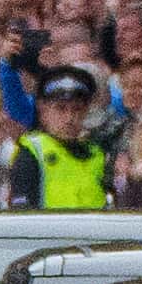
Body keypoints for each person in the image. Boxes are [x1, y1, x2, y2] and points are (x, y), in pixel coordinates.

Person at [14, 65, 114, 210]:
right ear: (43, 109)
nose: (69, 118)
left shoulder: (98, 153)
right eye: (60, 108)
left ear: (86, 111)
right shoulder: (33, 150)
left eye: (77, 109)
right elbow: (22, 213)